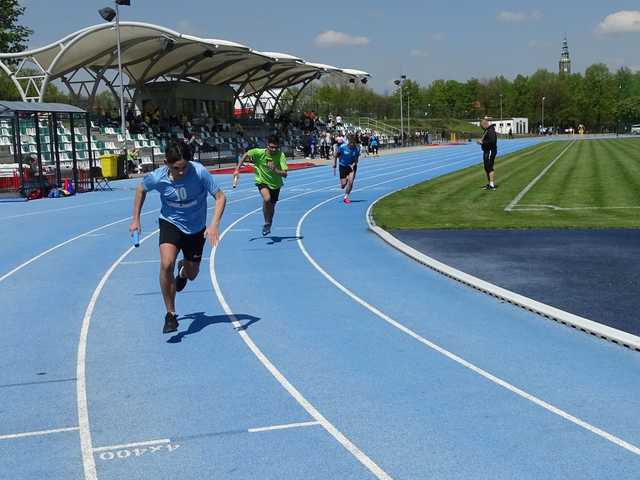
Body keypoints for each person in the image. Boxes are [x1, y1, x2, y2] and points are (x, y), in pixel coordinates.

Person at [129, 141, 226, 334]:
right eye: (176, 168)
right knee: (166, 264)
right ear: (166, 163)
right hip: (170, 223)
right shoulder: (158, 177)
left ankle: (183, 271)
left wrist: (214, 224)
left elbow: (220, 197)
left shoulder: (199, 172)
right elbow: (141, 189)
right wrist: (135, 220)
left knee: (192, 274)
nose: (181, 172)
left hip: (196, 229)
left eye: (184, 167)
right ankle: (171, 314)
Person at [233, 135, 288, 236]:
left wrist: (275, 170)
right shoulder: (259, 152)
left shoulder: (281, 155)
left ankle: (269, 222)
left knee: (271, 207)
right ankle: (266, 223)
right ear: (267, 146)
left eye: (276, 147)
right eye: (271, 147)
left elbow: (285, 174)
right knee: (267, 199)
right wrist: (237, 169)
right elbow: (246, 154)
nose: (273, 149)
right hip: (261, 181)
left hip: (276, 184)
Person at [333, 133, 360, 204]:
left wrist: (353, 164)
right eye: (351, 143)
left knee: (351, 182)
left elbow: (356, 160)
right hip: (342, 166)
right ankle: (346, 179)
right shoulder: (342, 147)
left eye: (353, 143)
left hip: (352, 167)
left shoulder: (357, 148)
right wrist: (335, 164)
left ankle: (346, 197)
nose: (352, 145)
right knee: (343, 185)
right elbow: (336, 155)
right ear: (348, 142)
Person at [477, 117, 497, 190]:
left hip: (490, 151)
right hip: (486, 151)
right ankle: (489, 184)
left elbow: (492, 141)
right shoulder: (487, 130)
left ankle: (492, 185)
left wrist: (482, 142)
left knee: (489, 167)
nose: (482, 128)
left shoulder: (491, 131)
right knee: (486, 167)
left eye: (482, 127)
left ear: (484, 125)